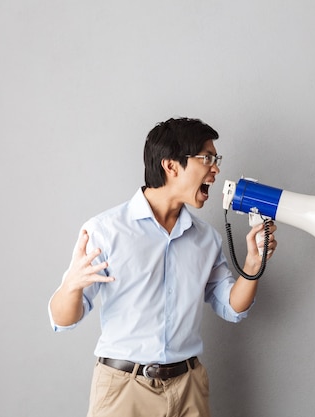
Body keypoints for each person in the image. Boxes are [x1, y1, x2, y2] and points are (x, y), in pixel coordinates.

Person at [48, 117, 278, 417]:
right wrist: (72, 286)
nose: (216, 169)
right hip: (123, 390)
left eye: (216, 159)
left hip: (189, 388)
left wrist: (252, 263)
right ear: (171, 167)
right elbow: (62, 320)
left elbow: (233, 308)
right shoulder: (105, 230)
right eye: (207, 158)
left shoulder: (206, 239)